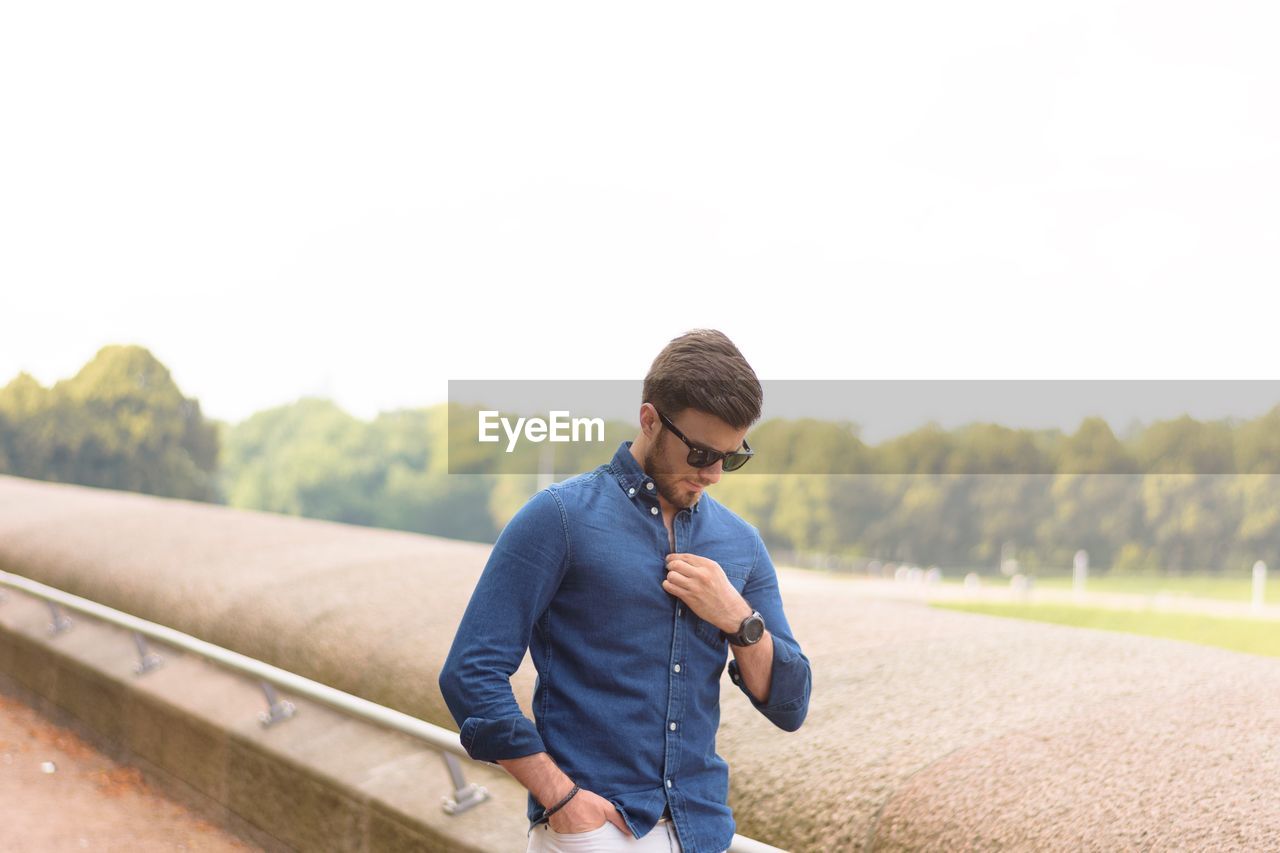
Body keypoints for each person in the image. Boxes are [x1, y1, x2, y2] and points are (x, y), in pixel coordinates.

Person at [438, 329, 812, 853]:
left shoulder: (740, 543)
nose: (714, 474)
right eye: (702, 452)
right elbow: (470, 673)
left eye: (731, 456)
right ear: (650, 419)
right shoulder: (560, 517)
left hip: (703, 831)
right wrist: (562, 799)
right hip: (595, 830)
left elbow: (791, 706)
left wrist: (739, 619)